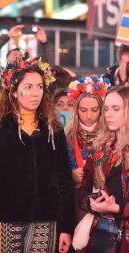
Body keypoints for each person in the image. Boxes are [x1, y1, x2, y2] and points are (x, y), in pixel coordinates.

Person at [0, 57, 74, 253]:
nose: (35, 93)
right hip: (3, 217)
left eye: (39, 86)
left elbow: (64, 179)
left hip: (46, 218)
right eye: (28, 87)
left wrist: (66, 227)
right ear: (13, 90)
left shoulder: (54, 129)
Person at [76, 86, 129, 252]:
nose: (108, 114)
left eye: (116, 108)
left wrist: (117, 208)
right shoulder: (99, 148)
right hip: (100, 230)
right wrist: (93, 203)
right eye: (106, 108)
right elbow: (83, 189)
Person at [65, 77, 110, 226]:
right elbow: (54, 171)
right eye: (83, 110)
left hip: (104, 200)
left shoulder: (110, 135)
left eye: (94, 110)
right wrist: (70, 175)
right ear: (76, 110)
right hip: (73, 200)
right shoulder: (66, 136)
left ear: (102, 109)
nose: (89, 116)